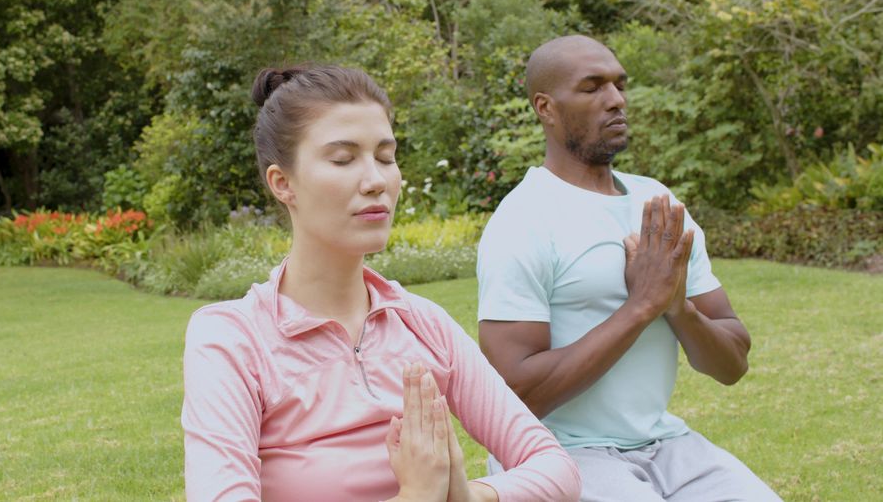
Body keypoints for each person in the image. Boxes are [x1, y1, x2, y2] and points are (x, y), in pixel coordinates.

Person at [182, 65, 581, 501]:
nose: (376, 181)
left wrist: (469, 497)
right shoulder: (232, 340)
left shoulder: (422, 323)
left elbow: (556, 468)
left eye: (386, 157)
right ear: (283, 183)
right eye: (343, 159)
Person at [476, 36, 781, 501]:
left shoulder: (656, 203)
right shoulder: (523, 221)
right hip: (558, 453)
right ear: (546, 107)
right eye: (592, 87)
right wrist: (641, 306)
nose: (616, 100)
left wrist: (678, 308)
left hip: (667, 446)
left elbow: (732, 362)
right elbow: (517, 396)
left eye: (619, 85)